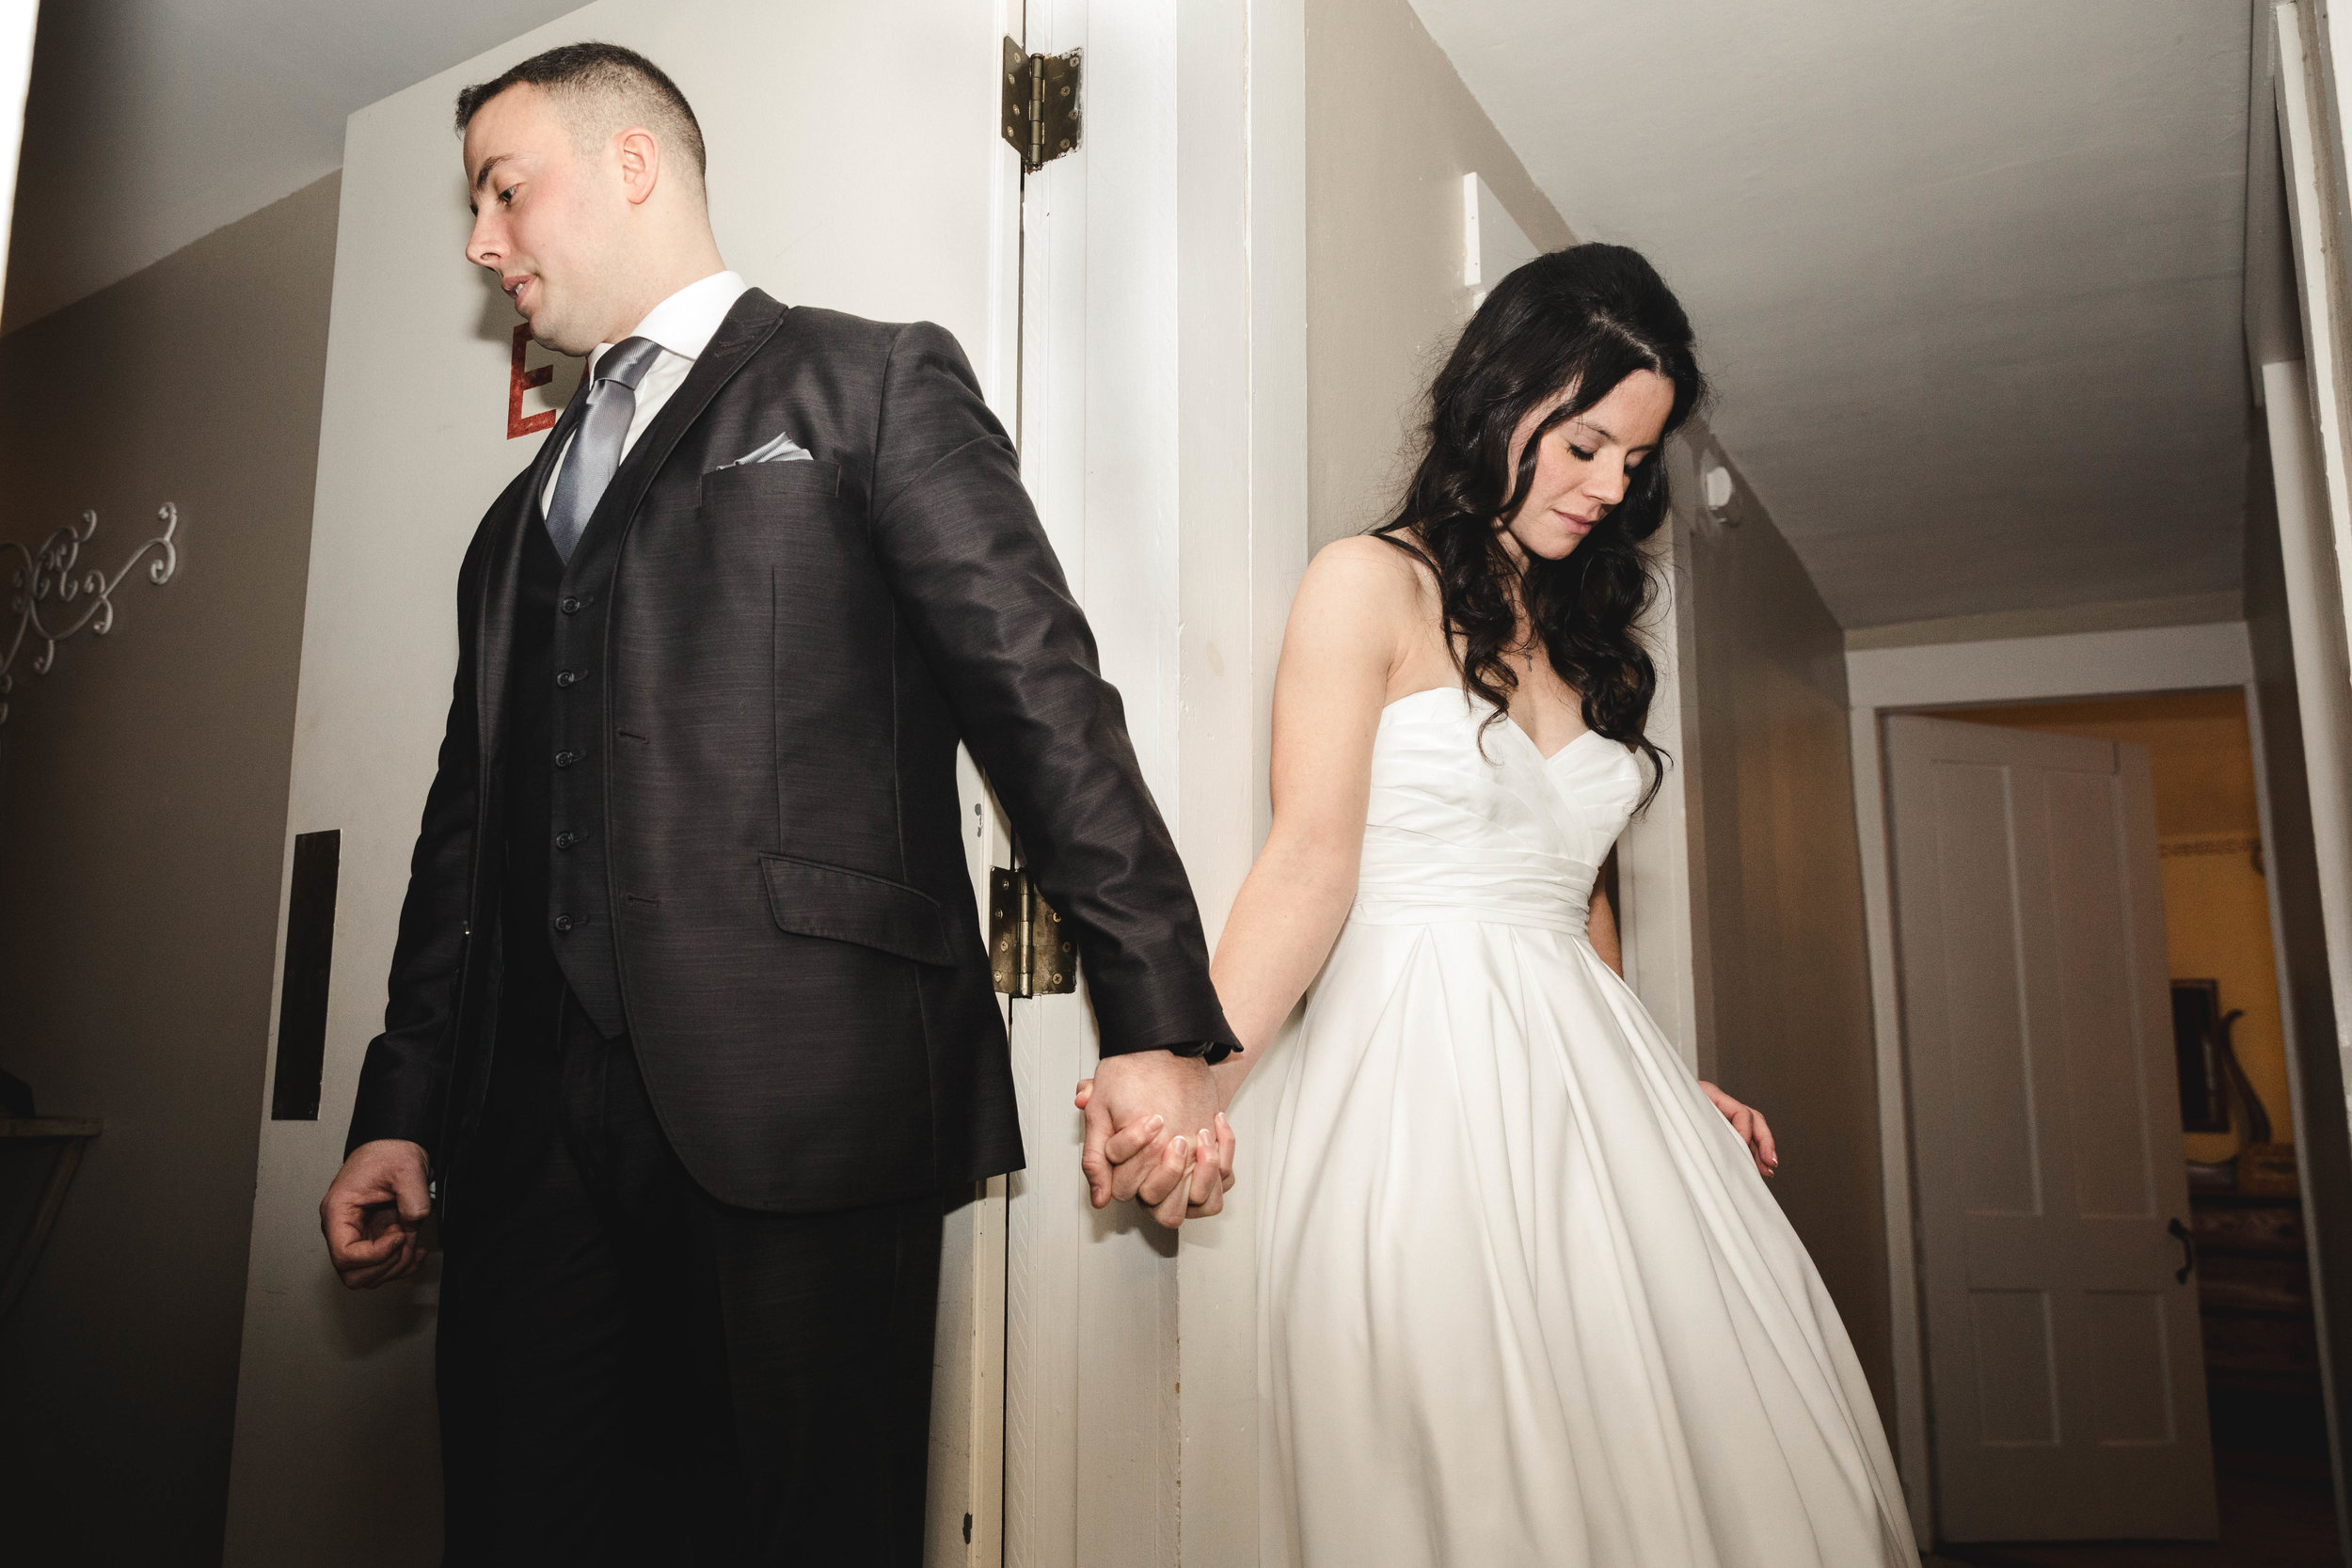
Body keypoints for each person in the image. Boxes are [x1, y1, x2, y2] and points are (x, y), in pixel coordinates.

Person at [314, 41, 1236, 1565]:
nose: (482, 240)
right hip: (523, 1140)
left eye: (501, 187)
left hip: (803, 1101)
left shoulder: (866, 381)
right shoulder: (508, 527)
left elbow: (1042, 696)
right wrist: (402, 1108)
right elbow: (464, 839)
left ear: (631, 164)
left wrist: (1156, 1016)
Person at [1089, 245, 1915, 1564]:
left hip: (1595, 1092)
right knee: (1453, 1456)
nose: (1607, 489)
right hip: (1416, 1077)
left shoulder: (1590, 641)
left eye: (1635, 464)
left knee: (1657, 1450)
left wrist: (1651, 1070)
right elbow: (1311, 862)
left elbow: (1575, 902)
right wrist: (1194, 1077)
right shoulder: (1371, 585)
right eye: (1585, 445)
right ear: (1498, 398)